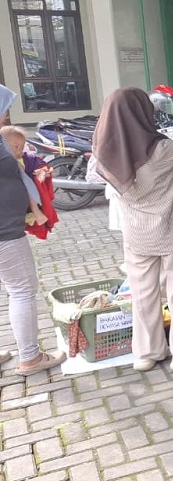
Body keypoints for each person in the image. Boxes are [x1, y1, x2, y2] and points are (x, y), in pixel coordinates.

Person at [93, 88, 173, 373]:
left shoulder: (102, 152)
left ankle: (146, 353)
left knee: (143, 292)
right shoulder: (160, 150)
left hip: (136, 235)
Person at [0, 86, 66, 376]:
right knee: (22, 289)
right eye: (3, 107)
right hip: (4, 233)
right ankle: (30, 357)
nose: (5, 114)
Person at [0, 126, 49, 227]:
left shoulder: (25, 159)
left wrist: (42, 170)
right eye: (16, 147)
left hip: (21, 195)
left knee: (29, 188)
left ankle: (36, 212)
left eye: (22, 148)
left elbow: (36, 165)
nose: (20, 151)